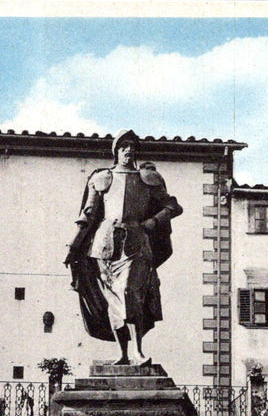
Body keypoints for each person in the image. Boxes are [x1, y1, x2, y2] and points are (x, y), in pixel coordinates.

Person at [65, 129, 183, 365]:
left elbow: (173, 206)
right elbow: (87, 215)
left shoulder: (148, 178)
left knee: (130, 292)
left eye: (132, 147)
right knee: (113, 300)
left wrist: (153, 221)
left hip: (137, 242)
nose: (129, 150)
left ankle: (138, 352)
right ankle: (123, 354)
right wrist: (73, 246)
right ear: (116, 151)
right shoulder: (102, 178)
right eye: (123, 146)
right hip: (104, 246)